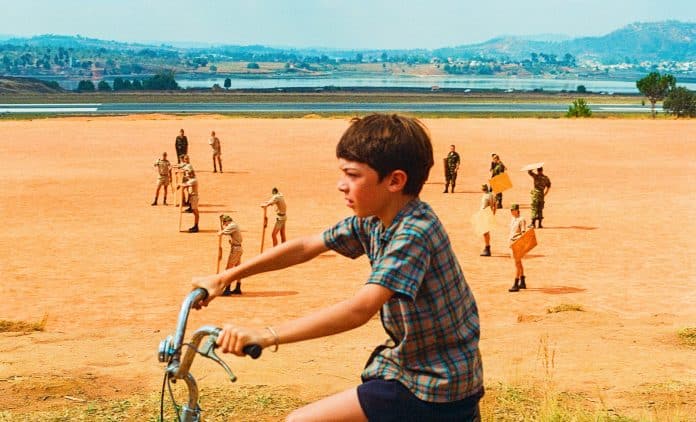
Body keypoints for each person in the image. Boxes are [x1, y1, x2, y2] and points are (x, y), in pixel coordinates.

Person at [193, 114, 484, 421]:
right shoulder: (375, 220)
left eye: (352, 175)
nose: (341, 185)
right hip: (408, 366)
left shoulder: (414, 232)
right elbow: (306, 246)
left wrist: (265, 336)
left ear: (395, 181)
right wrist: (225, 277)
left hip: (437, 383)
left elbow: (359, 310)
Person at [219, 215, 243, 295]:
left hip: (235, 250)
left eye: (225, 223)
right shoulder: (233, 225)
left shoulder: (232, 225)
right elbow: (224, 230)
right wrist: (221, 223)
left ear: (227, 221)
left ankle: (227, 289)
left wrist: (220, 232)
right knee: (238, 269)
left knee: (228, 269)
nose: (225, 225)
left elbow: (222, 232)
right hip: (237, 249)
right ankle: (238, 288)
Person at [177, 155, 199, 233]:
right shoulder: (191, 179)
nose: (188, 175)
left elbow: (185, 185)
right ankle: (195, 226)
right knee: (194, 211)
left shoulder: (193, 180)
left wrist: (179, 184)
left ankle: (196, 226)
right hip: (192, 196)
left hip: (194, 196)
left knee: (195, 212)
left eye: (189, 174)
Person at [508, 203, 527, 292]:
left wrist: (519, 244)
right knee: (519, 263)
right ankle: (522, 282)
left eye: (513, 210)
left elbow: (523, 233)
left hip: (517, 244)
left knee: (517, 264)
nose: (511, 211)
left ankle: (516, 284)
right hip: (512, 244)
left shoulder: (521, 220)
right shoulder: (513, 219)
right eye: (511, 210)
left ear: (517, 210)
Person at [479, 183, 496, 256]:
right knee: (485, 232)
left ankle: (487, 248)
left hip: (486, 214)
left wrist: (492, 214)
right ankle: (487, 247)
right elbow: (495, 205)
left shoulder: (488, 195)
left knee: (485, 232)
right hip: (486, 214)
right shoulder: (490, 195)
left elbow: (494, 205)